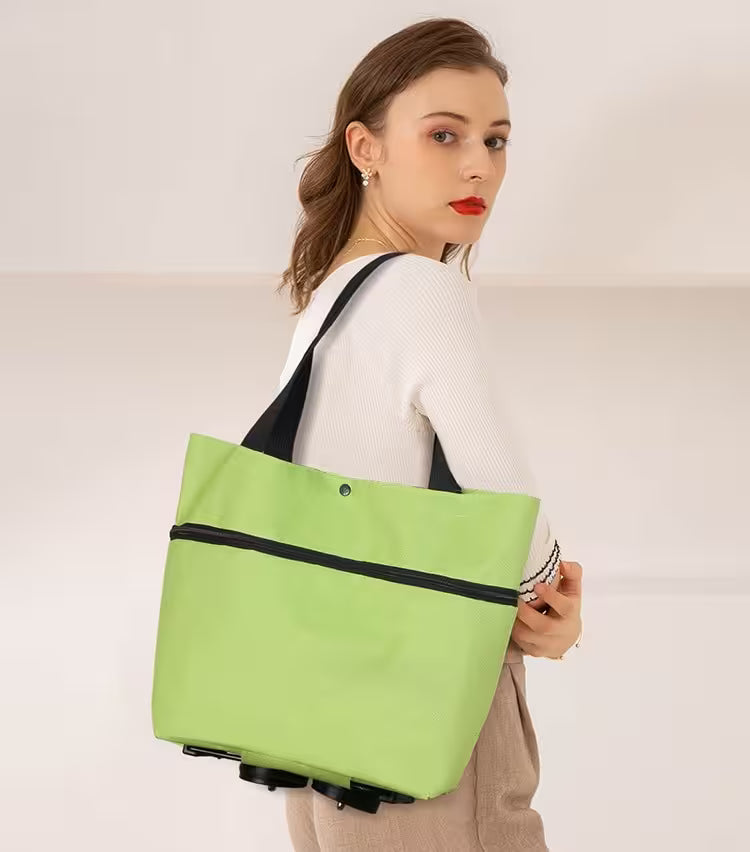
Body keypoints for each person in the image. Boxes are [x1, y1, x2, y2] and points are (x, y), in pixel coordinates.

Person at [276, 17, 583, 852]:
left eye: (497, 138)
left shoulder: (329, 299)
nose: (479, 163)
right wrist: (555, 601)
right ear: (364, 148)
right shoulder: (420, 291)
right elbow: (510, 513)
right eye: (443, 134)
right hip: (425, 708)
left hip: (319, 713)